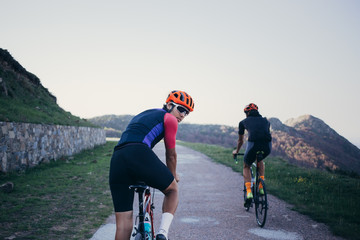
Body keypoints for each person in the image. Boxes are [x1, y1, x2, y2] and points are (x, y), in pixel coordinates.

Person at [109, 90, 195, 240]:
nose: (182, 115)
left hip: (117, 158)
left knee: (124, 224)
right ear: (169, 104)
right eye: (181, 109)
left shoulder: (145, 113)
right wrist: (173, 175)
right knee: (172, 189)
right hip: (138, 152)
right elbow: (171, 155)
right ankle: (163, 234)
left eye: (186, 113)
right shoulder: (170, 119)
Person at [232, 103, 272, 207]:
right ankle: (261, 186)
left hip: (253, 145)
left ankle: (249, 192)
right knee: (260, 160)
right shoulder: (266, 121)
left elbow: (240, 141)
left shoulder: (243, 122)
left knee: (246, 165)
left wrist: (236, 151)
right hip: (267, 147)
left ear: (247, 113)